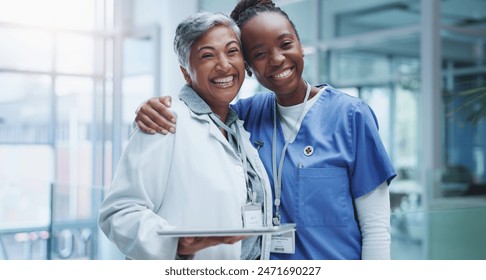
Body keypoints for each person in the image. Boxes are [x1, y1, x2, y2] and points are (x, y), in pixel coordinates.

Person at [134, 0, 397, 260]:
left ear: (301, 46)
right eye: (259, 54)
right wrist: (152, 108)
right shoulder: (244, 116)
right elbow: (199, 107)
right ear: (247, 67)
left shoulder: (351, 116)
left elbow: (376, 229)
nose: (277, 59)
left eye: (286, 44)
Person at [98, 11, 274, 260]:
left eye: (232, 51)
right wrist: (176, 242)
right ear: (185, 72)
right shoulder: (165, 120)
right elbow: (119, 212)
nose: (224, 64)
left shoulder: (239, 127)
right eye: (207, 55)